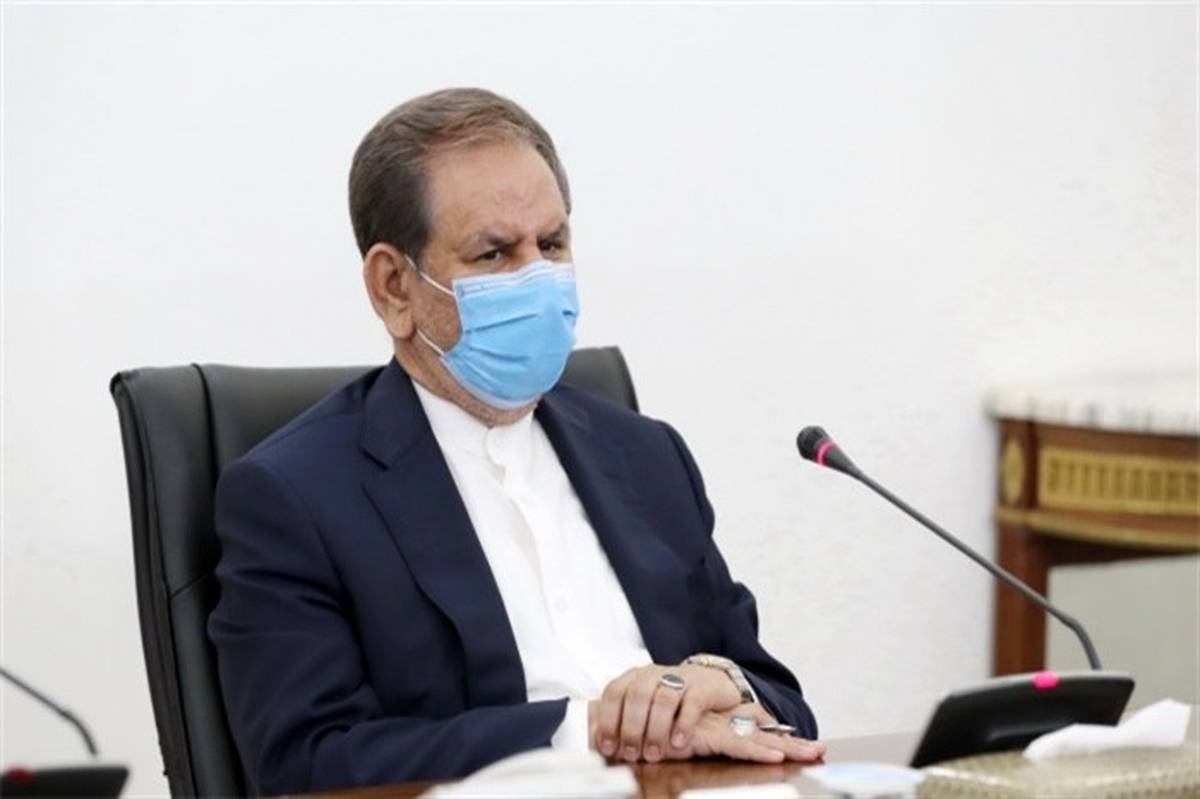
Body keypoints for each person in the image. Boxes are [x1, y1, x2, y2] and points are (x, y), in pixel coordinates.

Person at [208, 87, 822, 794]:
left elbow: (784, 705)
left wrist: (725, 689)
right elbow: (308, 763)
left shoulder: (648, 456)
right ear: (394, 287)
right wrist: (586, 729)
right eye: (495, 253)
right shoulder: (294, 496)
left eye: (552, 244)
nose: (537, 277)